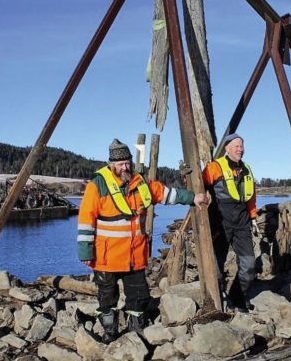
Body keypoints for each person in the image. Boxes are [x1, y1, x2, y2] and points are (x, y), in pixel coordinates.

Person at [77, 138, 209, 343]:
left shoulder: (142, 183)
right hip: (106, 257)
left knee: (138, 295)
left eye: (127, 162)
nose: (125, 167)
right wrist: (85, 252)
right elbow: (86, 220)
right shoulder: (97, 185)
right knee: (107, 296)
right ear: (111, 164)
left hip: (135, 255)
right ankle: (110, 332)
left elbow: (167, 194)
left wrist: (193, 198)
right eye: (120, 164)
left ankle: (136, 331)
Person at [203, 133, 260, 312]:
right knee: (217, 267)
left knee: (249, 264)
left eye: (242, 146)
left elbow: (251, 196)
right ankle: (218, 300)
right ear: (227, 148)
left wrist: (253, 216)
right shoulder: (214, 168)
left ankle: (237, 296)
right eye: (236, 146)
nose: (240, 149)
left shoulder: (247, 169)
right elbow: (197, 186)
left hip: (242, 222)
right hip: (220, 221)